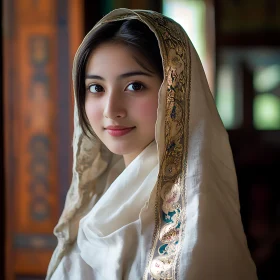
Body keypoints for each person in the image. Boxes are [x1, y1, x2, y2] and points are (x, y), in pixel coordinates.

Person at [46, 8, 258, 280]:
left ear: (176, 93)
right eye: (96, 88)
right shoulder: (98, 202)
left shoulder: (197, 217)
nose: (111, 110)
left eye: (135, 86)